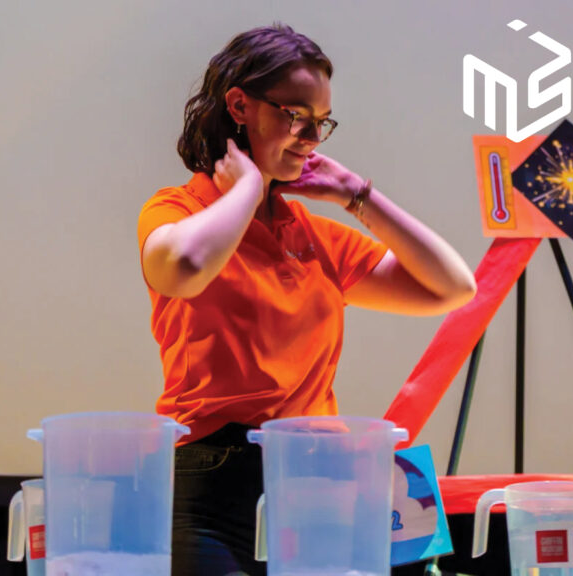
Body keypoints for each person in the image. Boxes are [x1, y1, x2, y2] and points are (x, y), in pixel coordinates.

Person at [137, 23, 476, 576]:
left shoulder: (312, 235)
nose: (311, 136)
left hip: (317, 479)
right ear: (240, 106)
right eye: (295, 115)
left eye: (321, 122)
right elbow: (184, 269)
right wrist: (247, 188)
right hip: (212, 479)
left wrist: (357, 195)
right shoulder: (178, 209)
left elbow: (453, 287)